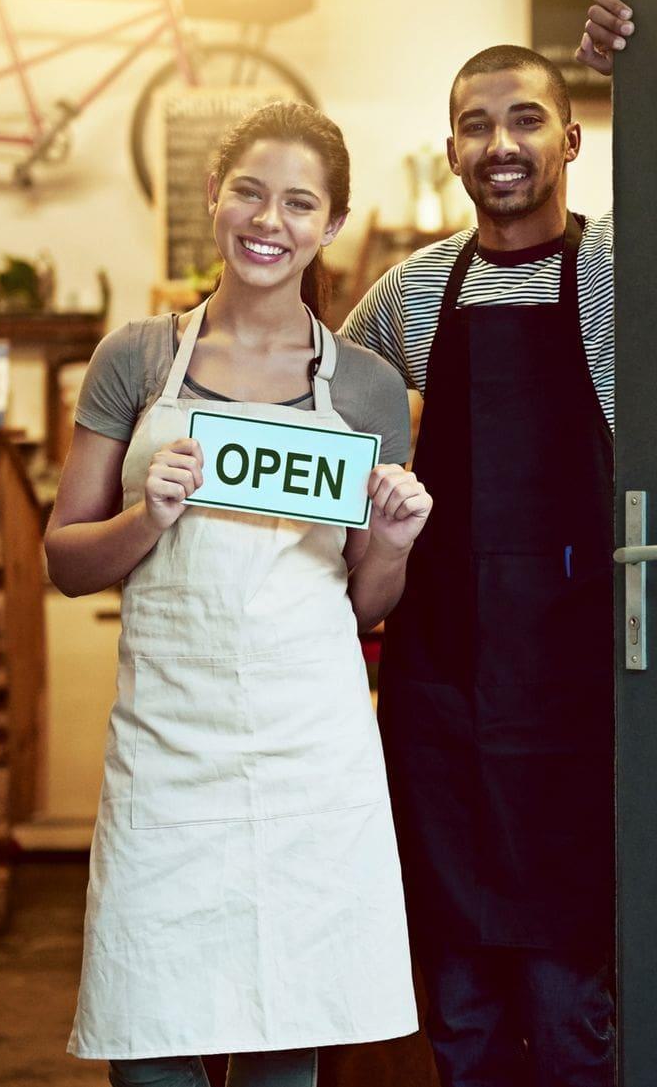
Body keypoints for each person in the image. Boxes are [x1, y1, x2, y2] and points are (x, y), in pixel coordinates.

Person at [341, 0, 657, 1087]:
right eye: (474, 124)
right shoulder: (409, 296)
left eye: (523, 119)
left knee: (568, 1002)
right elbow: (319, 403)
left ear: (571, 139)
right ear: (449, 152)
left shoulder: (621, 267)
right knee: (457, 1001)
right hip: (446, 699)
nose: (499, 143)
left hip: (587, 692)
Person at [48, 101, 432, 1087]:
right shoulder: (134, 360)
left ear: (331, 223)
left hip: (305, 752)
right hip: (166, 754)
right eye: (251, 192)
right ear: (213, 198)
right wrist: (147, 518)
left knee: (284, 1038)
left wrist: (388, 541)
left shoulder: (366, 389)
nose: (270, 220)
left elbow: (365, 605)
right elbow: (63, 559)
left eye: (299, 202)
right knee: (148, 1038)